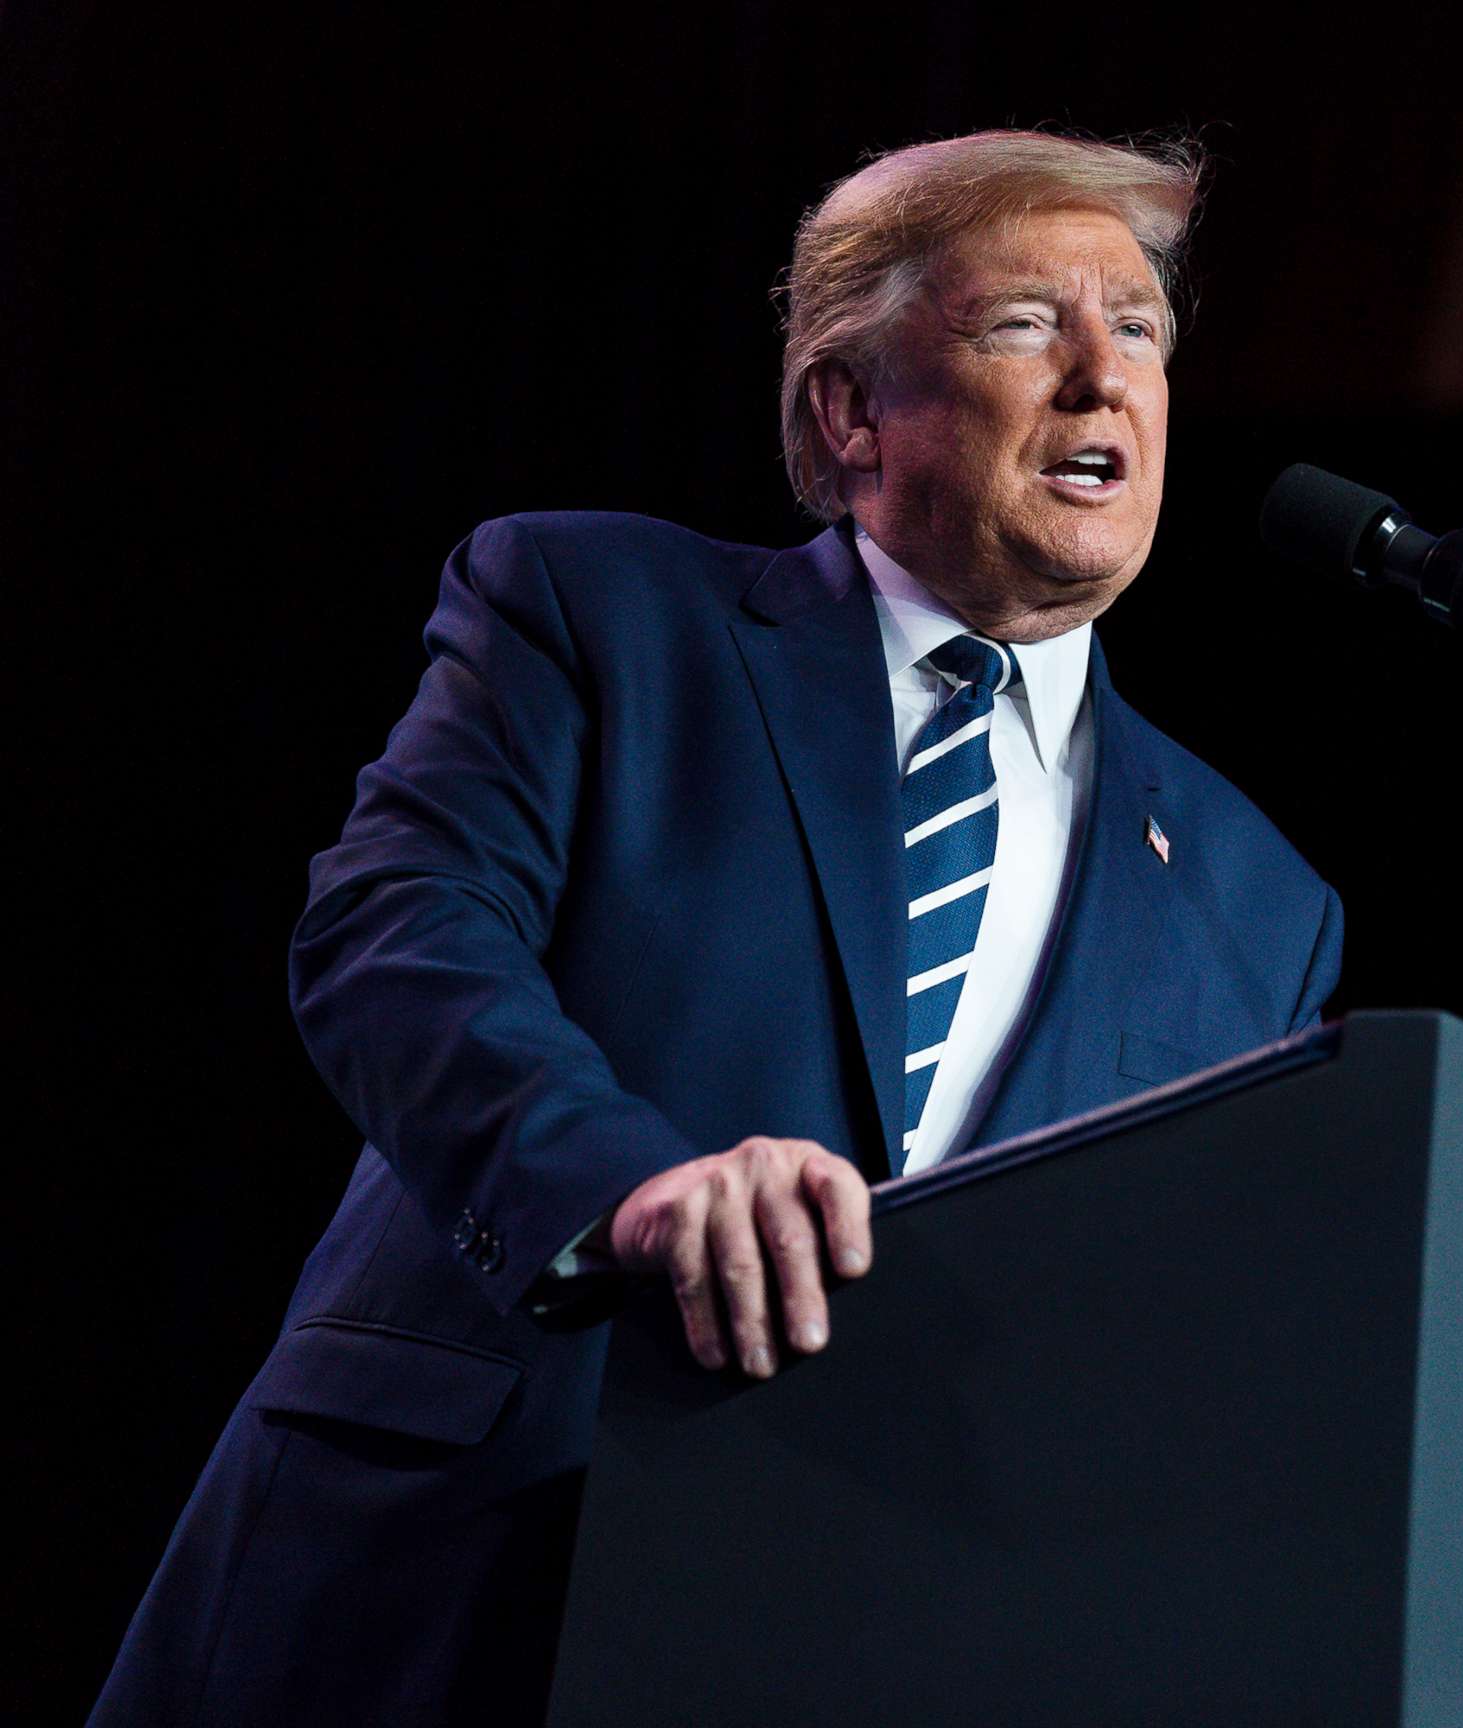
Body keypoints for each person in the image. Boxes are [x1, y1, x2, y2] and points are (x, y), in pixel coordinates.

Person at [91, 129, 1344, 1728]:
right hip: (456, 1577)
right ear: (850, 408)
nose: (1106, 378)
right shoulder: (600, 615)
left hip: (880, 1646)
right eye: (1026, 325)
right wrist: (634, 1189)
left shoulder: (1258, 899)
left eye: (1144, 330)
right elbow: (394, 935)